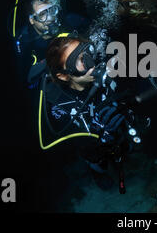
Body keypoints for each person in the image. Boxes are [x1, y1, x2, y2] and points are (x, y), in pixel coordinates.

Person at [39, 36, 149, 192]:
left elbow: (137, 85)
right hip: (93, 148)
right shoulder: (59, 106)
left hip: (120, 133)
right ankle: (97, 173)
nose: (91, 62)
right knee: (97, 161)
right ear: (63, 75)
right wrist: (99, 132)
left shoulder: (105, 71)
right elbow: (76, 145)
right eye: (79, 61)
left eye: (87, 53)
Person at [11, 0, 90, 89]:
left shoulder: (70, 21)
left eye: (52, 10)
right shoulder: (25, 41)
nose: (50, 18)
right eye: (42, 14)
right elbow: (26, 79)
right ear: (32, 19)